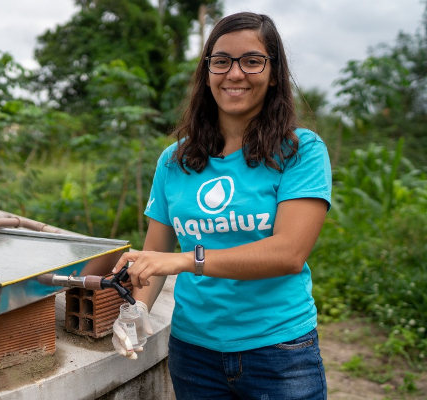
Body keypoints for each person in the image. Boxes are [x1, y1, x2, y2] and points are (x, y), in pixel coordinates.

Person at [110, 11, 331, 400]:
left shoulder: (301, 151)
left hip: (278, 352)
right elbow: (155, 253)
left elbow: (289, 253)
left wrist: (185, 260)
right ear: (207, 71)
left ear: (274, 72)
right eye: (221, 60)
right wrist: (137, 309)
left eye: (251, 60)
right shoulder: (174, 160)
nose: (234, 73)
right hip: (194, 353)